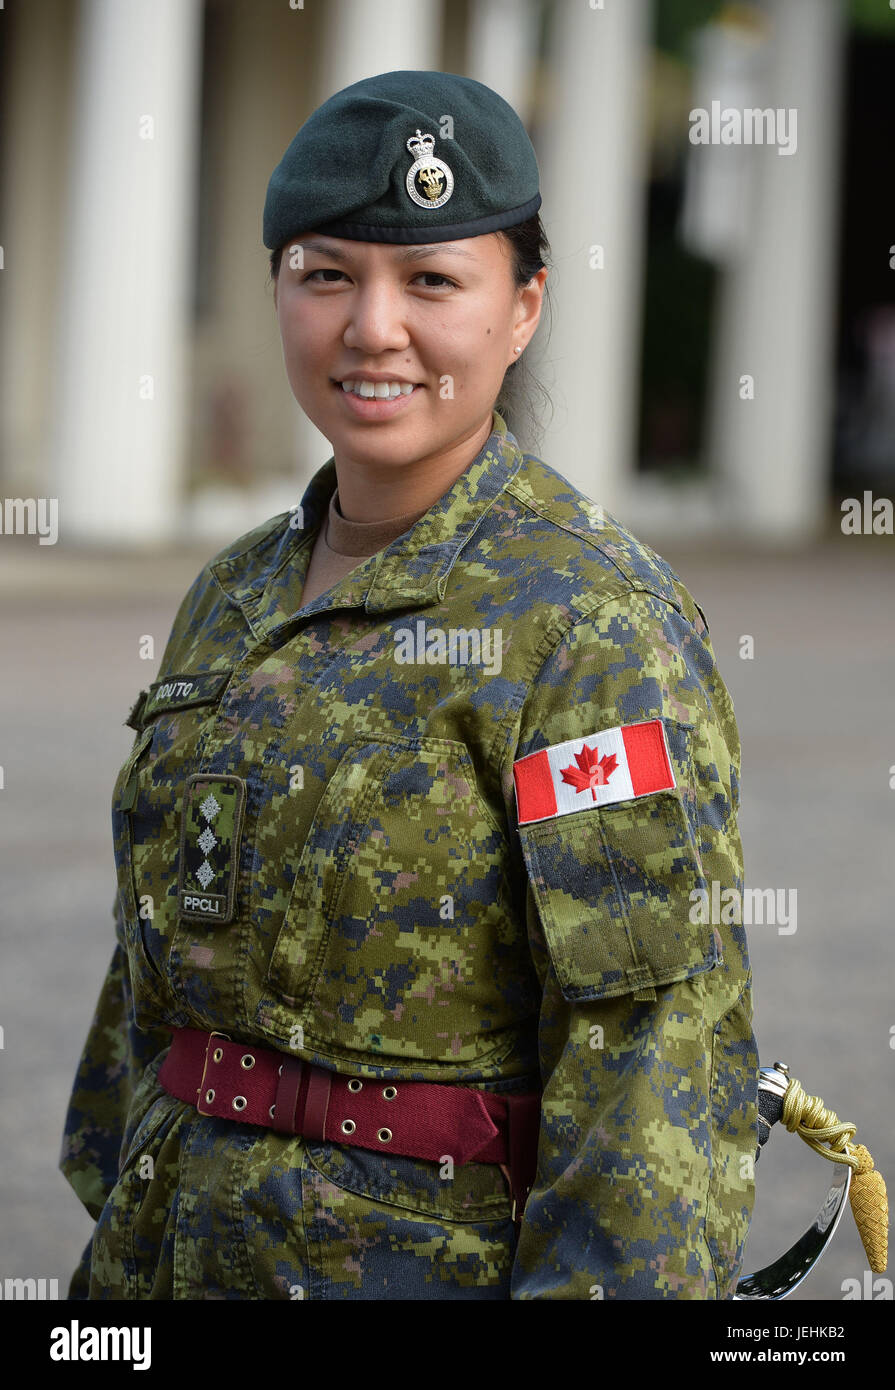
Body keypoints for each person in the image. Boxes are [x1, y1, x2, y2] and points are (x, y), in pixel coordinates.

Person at [59, 69, 757, 1301]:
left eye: (432, 281)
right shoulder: (232, 595)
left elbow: (648, 1065)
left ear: (523, 305)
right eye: (326, 274)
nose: (371, 328)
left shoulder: (586, 624)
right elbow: (149, 984)